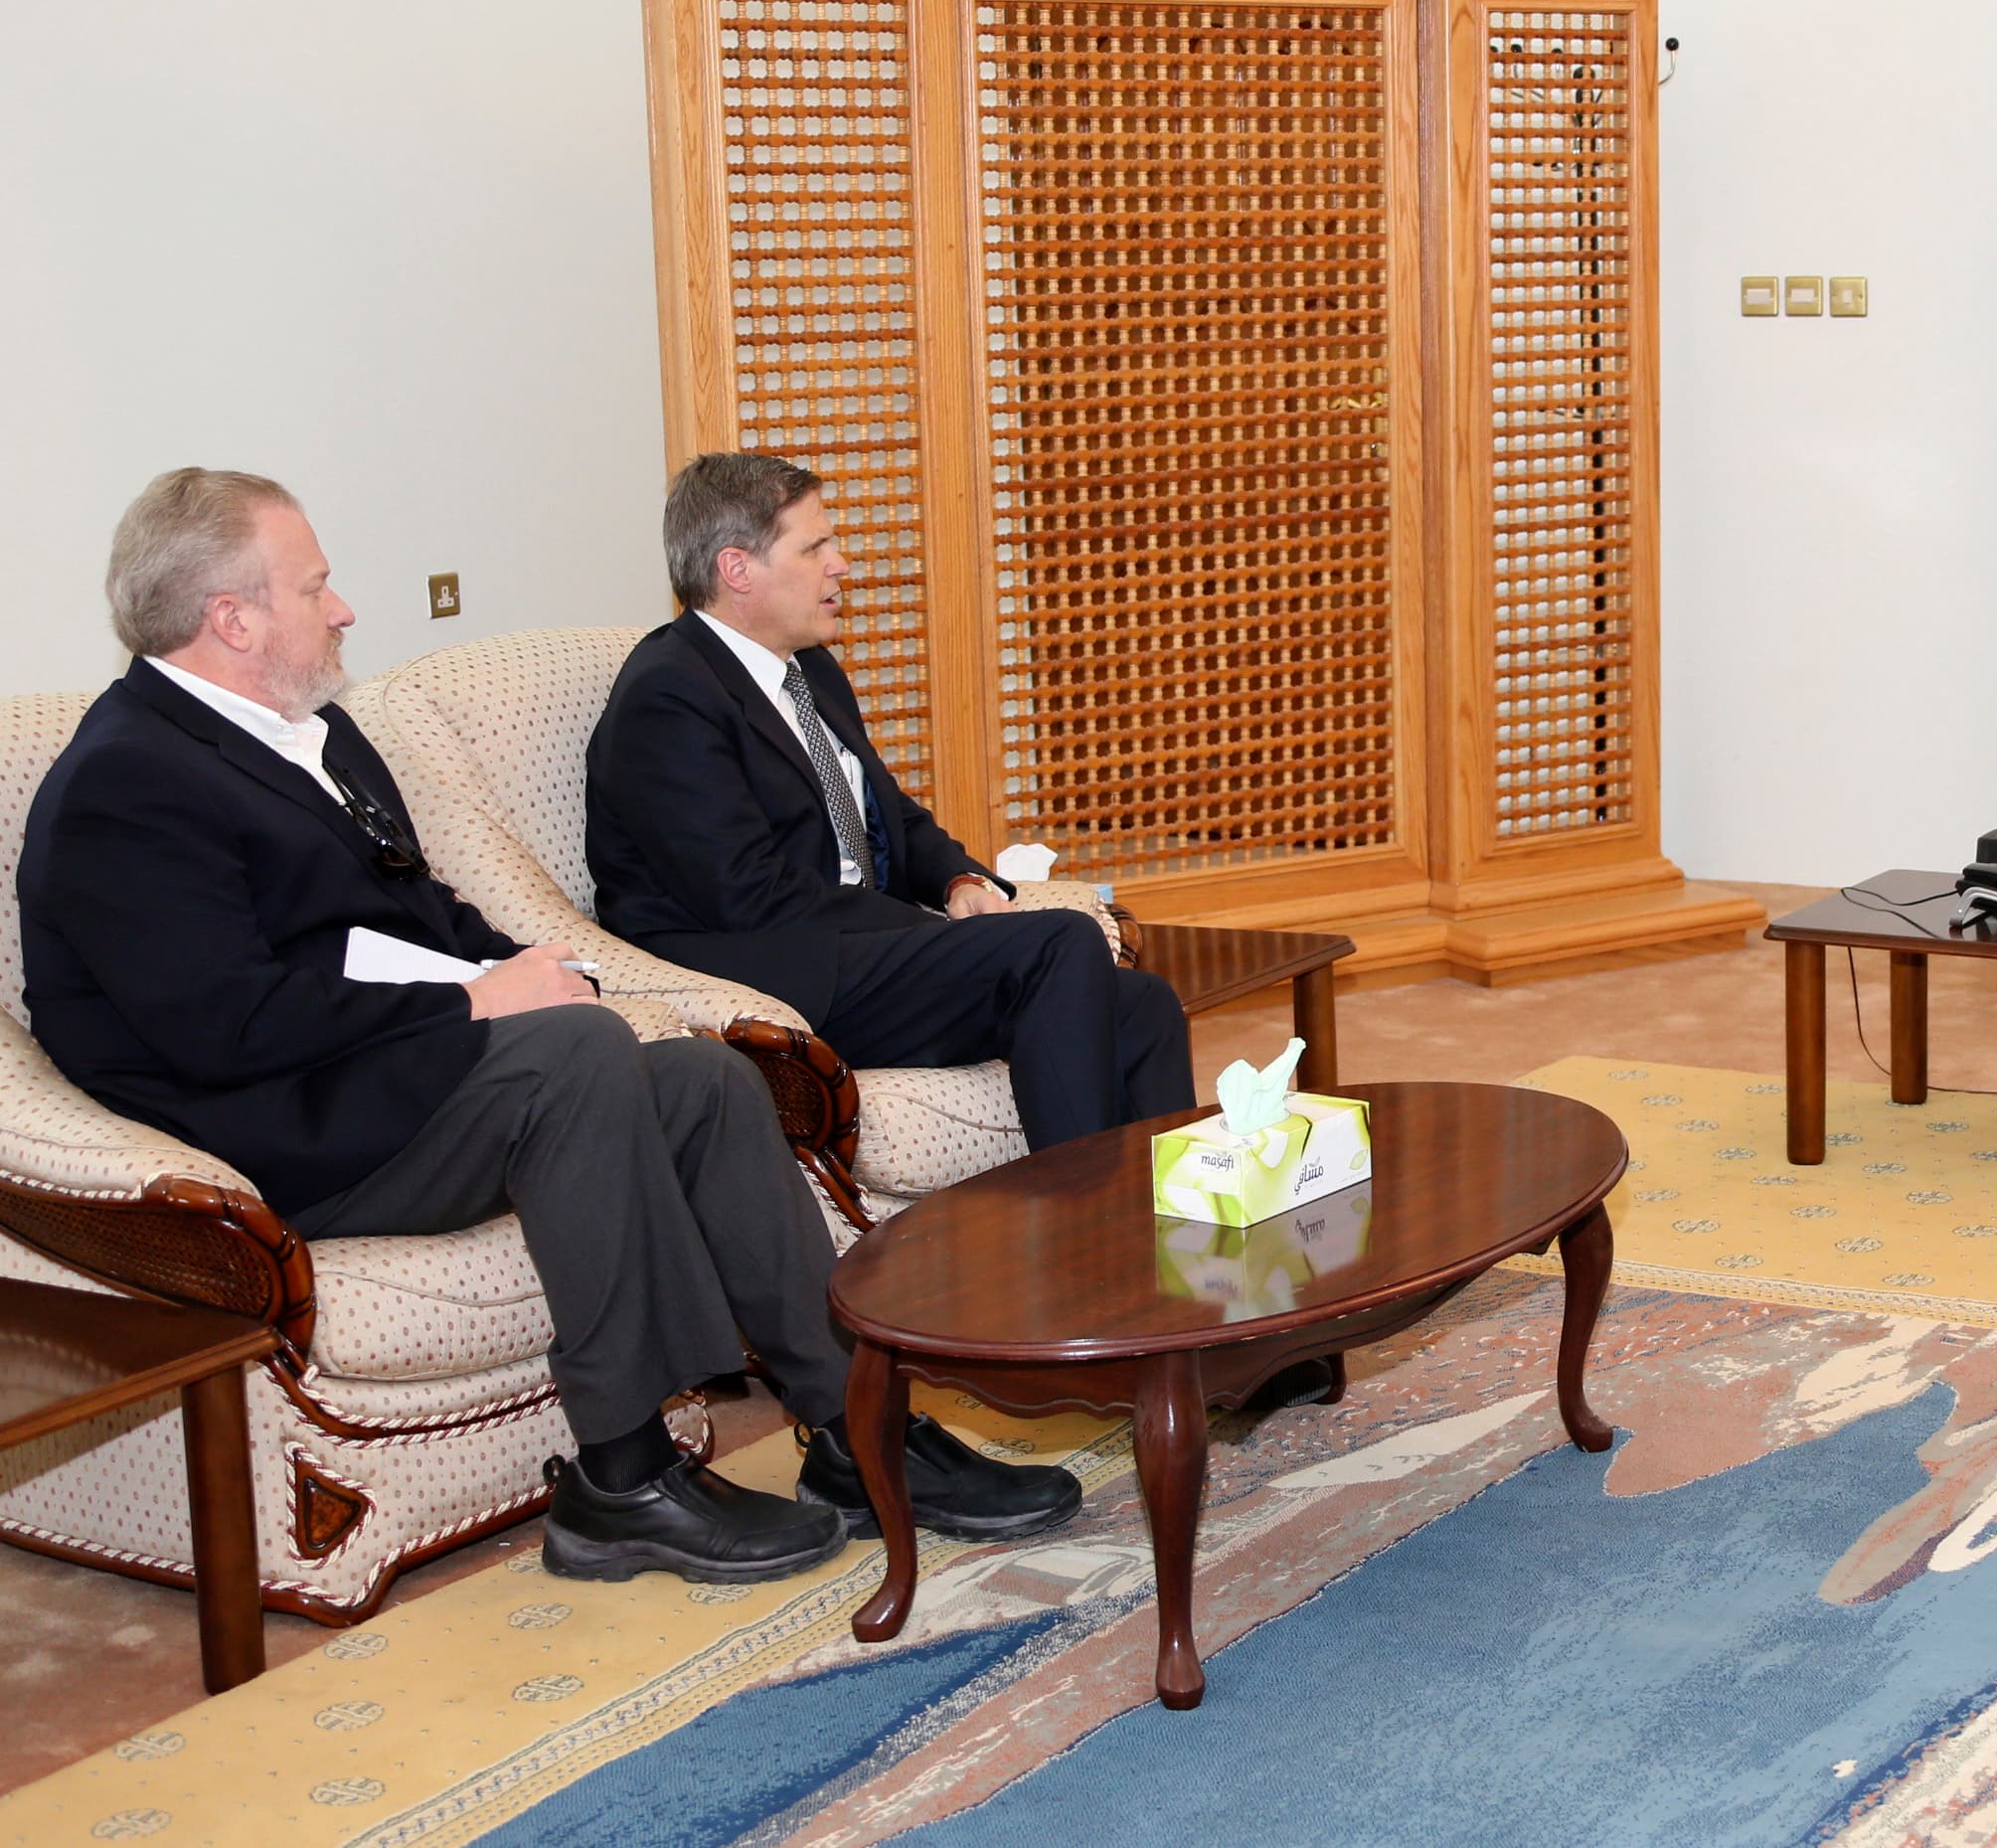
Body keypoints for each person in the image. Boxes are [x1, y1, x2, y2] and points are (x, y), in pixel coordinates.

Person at [19, 470, 1081, 1584]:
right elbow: (222, 1024)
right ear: (229, 618)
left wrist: (534, 968)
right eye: (316, 585)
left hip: (389, 1073)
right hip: (275, 1132)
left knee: (700, 1077)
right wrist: (477, 1002)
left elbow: (420, 911)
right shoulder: (125, 781)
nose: (341, 609)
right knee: (573, 1057)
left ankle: (855, 1428)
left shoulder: (312, 734)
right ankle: (621, 1479)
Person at [583, 452, 1193, 1150]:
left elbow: (885, 811)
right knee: (1057, 939)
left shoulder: (807, 667)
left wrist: (955, 878)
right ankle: (1081, 1221)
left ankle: (1157, 1221)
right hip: (778, 967)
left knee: (1141, 1005)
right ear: (736, 569)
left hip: (850, 947)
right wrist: (926, 931)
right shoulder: (669, 697)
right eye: (815, 547)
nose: (840, 563)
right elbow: (745, 894)